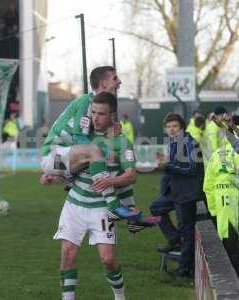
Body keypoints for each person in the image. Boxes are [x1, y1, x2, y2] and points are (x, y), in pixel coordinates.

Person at [47, 92, 158, 300]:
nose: (96, 118)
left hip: (102, 208)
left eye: (101, 114)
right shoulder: (82, 135)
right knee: (68, 253)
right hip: (75, 204)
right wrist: (55, 176)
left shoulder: (122, 142)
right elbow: (72, 166)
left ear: (112, 115)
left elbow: (131, 176)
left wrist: (110, 182)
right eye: (94, 112)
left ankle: (120, 296)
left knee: (108, 259)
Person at [41, 66, 140, 221]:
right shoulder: (86, 102)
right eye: (115, 78)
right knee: (97, 153)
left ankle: (131, 213)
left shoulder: (97, 105)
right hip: (54, 155)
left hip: (69, 158)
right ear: (102, 84)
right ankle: (114, 206)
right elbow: (79, 138)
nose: (119, 81)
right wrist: (108, 152)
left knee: (118, 165)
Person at [150, 113, 204, 277]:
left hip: (186, 193)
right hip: (175, 192)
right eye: (169, 127)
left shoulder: (190, 143)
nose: (171, 129)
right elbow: (173, 167)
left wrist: (168, 166)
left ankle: (184, 269)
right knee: (156, 208)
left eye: (175, 126)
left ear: (182, 127)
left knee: (186, 230)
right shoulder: (174, 142)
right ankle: (174, 239)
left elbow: (192, 170)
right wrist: (165, 164)